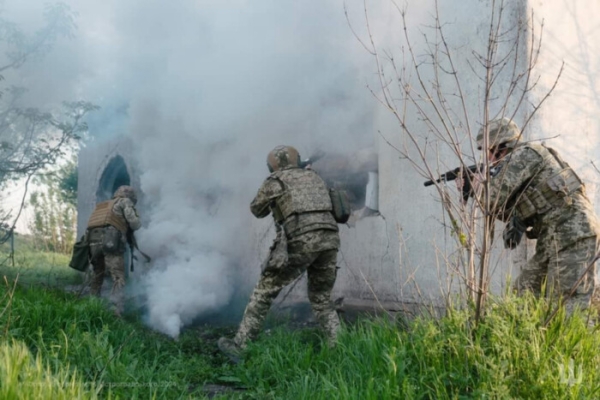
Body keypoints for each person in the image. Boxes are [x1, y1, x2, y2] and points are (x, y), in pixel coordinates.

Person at [460, 117, 600, 315]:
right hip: (553, 237)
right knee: (524, 293)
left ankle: (575, 344)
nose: (489, 159)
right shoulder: (521, 162)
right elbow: (507, 212)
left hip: (574, 234)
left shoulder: (524, 155)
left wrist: (476, 188)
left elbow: (493, 198)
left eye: (489, 151)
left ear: (502, 146)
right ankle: (527, 343)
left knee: (566, 307)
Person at [218, 145, 341, 360]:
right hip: (330, 239)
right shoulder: (315, 177)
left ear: (271, 166)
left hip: (301, 240)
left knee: (264, 292)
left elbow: (257, 209)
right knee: (321, 298)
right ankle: (338, 345)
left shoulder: (274, 181)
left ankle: (240, 346)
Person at [86, 185, 141, 316]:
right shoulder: (125, 201)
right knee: (118, 276)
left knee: (98, 273)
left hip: (93, 243)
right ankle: (115, 310)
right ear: (130, 196)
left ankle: (92, 304)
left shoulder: (103, 205)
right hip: (110, 242)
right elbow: (135, 223)